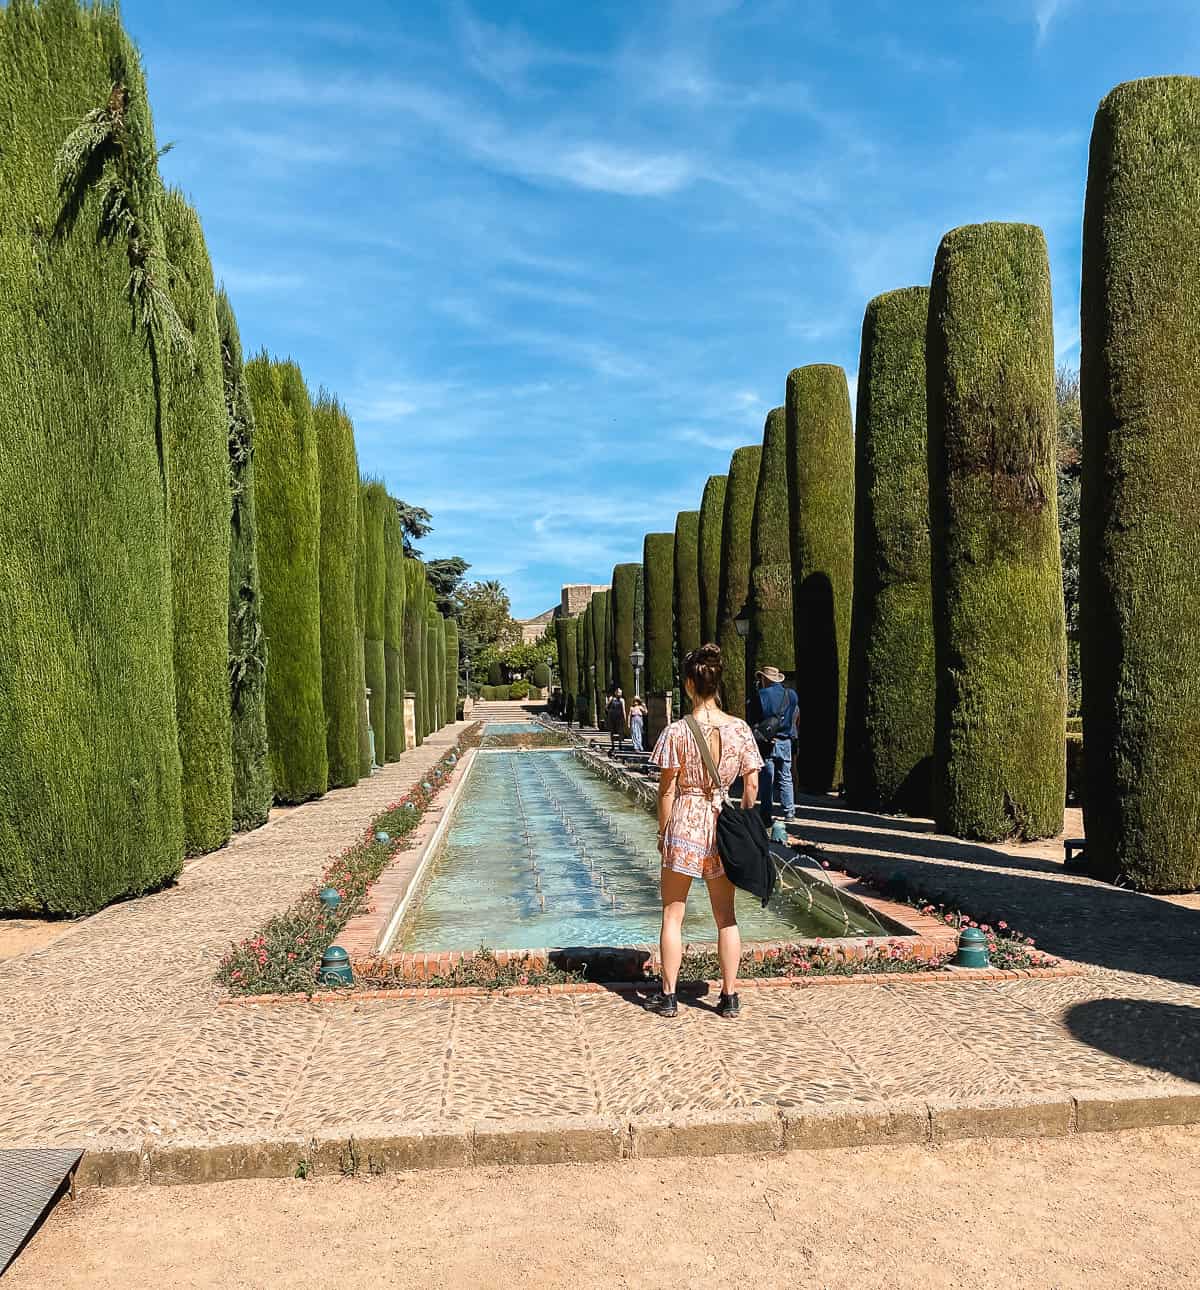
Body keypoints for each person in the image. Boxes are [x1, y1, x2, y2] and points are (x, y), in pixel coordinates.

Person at [647, 643, 762, 1019]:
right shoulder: (740, 730)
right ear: (717, 684)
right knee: (725, 916)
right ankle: (729, 996)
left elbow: (667, 788)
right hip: (721, 824)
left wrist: (664, 832)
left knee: (672, 914)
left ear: (688, 685)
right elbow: (752, 786)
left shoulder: (677, 732)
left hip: (685, 821)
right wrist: (742, 820)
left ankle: (668, 996)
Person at [753, 665, 798, 827]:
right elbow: (794, 715)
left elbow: (755, 720)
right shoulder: (791, 695)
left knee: (767, 779)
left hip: (768, 742)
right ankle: (789, 811)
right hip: (785, 741)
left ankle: (766, 813)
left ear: (765, 679)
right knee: (786, 777)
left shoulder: (761, 696)